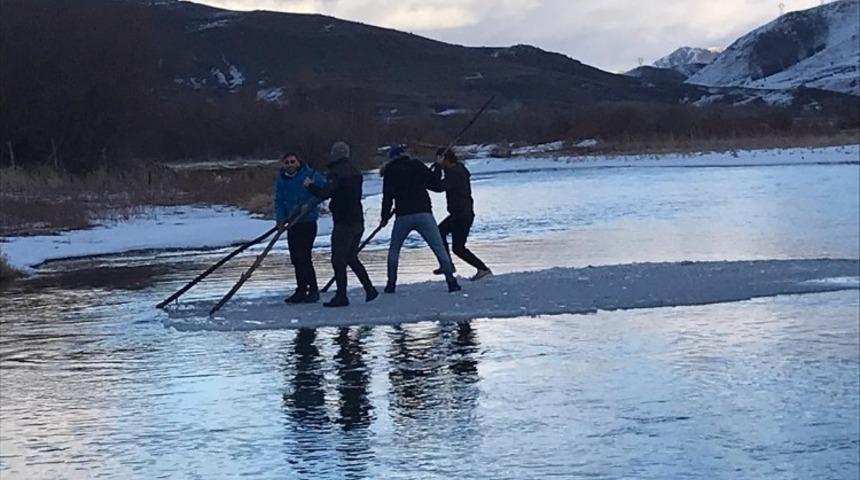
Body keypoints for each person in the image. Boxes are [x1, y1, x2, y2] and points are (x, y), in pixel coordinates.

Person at [304, 141, 378, 307]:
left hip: (343, 221)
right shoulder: (356, 171)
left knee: (338, 259)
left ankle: (342, 296)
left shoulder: (336, 173)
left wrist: (310, 187)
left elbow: (326, 193)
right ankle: (369, 289)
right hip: (358, 219)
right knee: (351, 257)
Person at [380, 146, 461, 293]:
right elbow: (434, 182)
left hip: (402, 215)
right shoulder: (416, 165)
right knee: (438, 247)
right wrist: (437, 166)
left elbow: (387, 197)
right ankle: (451, 281)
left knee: (394, 249)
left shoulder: (390, 171)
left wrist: (384, 217)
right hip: (423, 212)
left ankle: (391, 284)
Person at [431, 148, 492, 281]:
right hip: (463, 213)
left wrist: (437, 169)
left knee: (440, 233)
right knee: (458, 247)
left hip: (460, 214)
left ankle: (448, 265)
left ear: (445, 159)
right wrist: (440, 167)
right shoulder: (457, 170)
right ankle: (482, 269)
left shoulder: (455, 173)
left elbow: (439, 186)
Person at [275, 152, 326, 303]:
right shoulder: (282, 180)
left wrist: (309, 204)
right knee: (295, 258)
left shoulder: (310, 175)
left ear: (298, 162)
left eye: (292, 162)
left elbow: (324, 191)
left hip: (307, 221)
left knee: (304, 257)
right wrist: (280, 219)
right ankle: (301, 289)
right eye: (287, 162)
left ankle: (313, 289)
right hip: (292, 223)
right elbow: (279, 200)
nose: (290, 165)